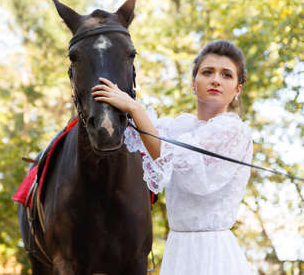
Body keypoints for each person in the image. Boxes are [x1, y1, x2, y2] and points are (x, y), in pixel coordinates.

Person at [91, 40, 254, 275]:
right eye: (207, 72)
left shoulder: (232, 131)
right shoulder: (180, 128)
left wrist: (135, 109)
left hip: (213, 254)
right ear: (193, 83)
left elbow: (170, 158)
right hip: (178, 250)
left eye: (226, 75)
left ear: (237, 89)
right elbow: (145, 134)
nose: (216, 79)